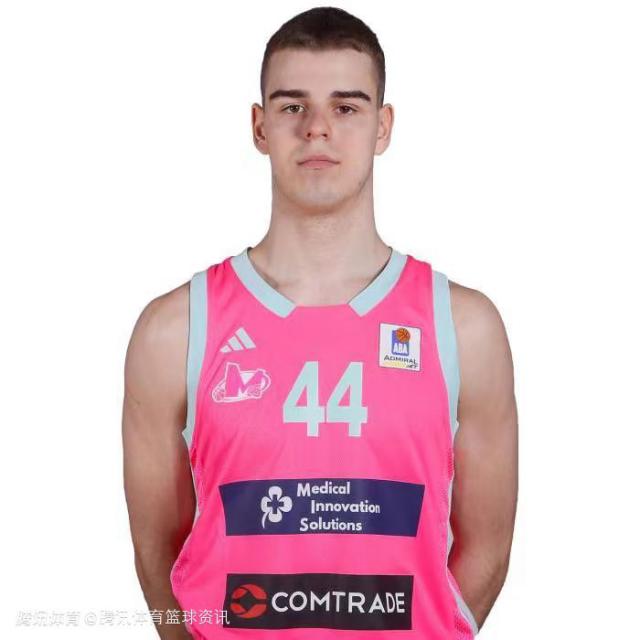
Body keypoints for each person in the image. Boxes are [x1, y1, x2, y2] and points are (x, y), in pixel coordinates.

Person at [122, 7, 518, 639]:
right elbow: (159, 557)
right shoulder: (175, 331)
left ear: (383, 126)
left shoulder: (464, 328)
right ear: (259, 127)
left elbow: (487, 549)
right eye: (292, 106)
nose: (317, 129)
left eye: (346, 107)